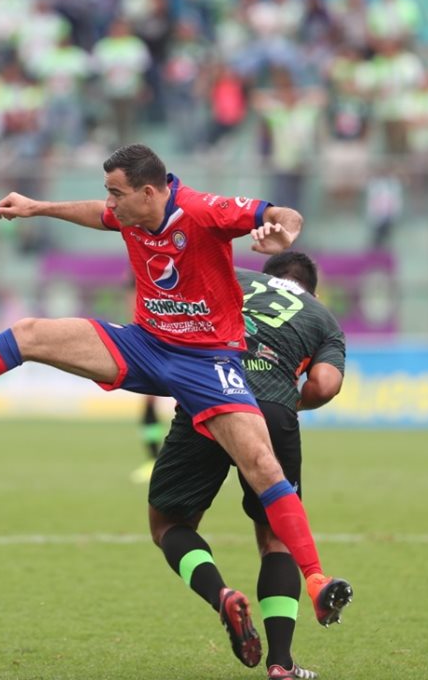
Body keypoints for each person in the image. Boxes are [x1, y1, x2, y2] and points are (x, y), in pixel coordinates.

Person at [0, 144, 352, 667]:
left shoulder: (203, 210)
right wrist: (38, 208)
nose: (109, 202)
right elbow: (98, 214)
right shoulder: (129, 212)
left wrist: (283, 231)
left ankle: (316, 580)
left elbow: (284, 214)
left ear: (150, 192)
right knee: (30, 334)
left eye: (117, 192)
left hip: (208, 363)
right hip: (146, 344)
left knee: (263, 466)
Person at [150, 250, 347, 680]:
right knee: (276, 538)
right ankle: (281, 663)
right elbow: (325, 385)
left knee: (169, 525)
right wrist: (286, 399)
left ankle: (221, 594)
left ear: (266, 276)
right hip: (274, 411)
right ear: (311, 291)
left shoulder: (236, 277)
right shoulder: (323, 317)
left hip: (210, 394)